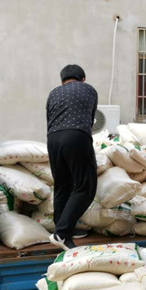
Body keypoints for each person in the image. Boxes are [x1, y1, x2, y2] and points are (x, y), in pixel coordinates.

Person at [46, 64, 98, 250]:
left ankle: (62, 229)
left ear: (62, 81)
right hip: (76, 135)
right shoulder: (89, 90)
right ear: (82, 79)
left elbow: (49, 118)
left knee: (62, 185)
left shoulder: (53, 93)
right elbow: (90, 119)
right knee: (85, 186)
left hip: (52, 139)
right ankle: (62, 233)